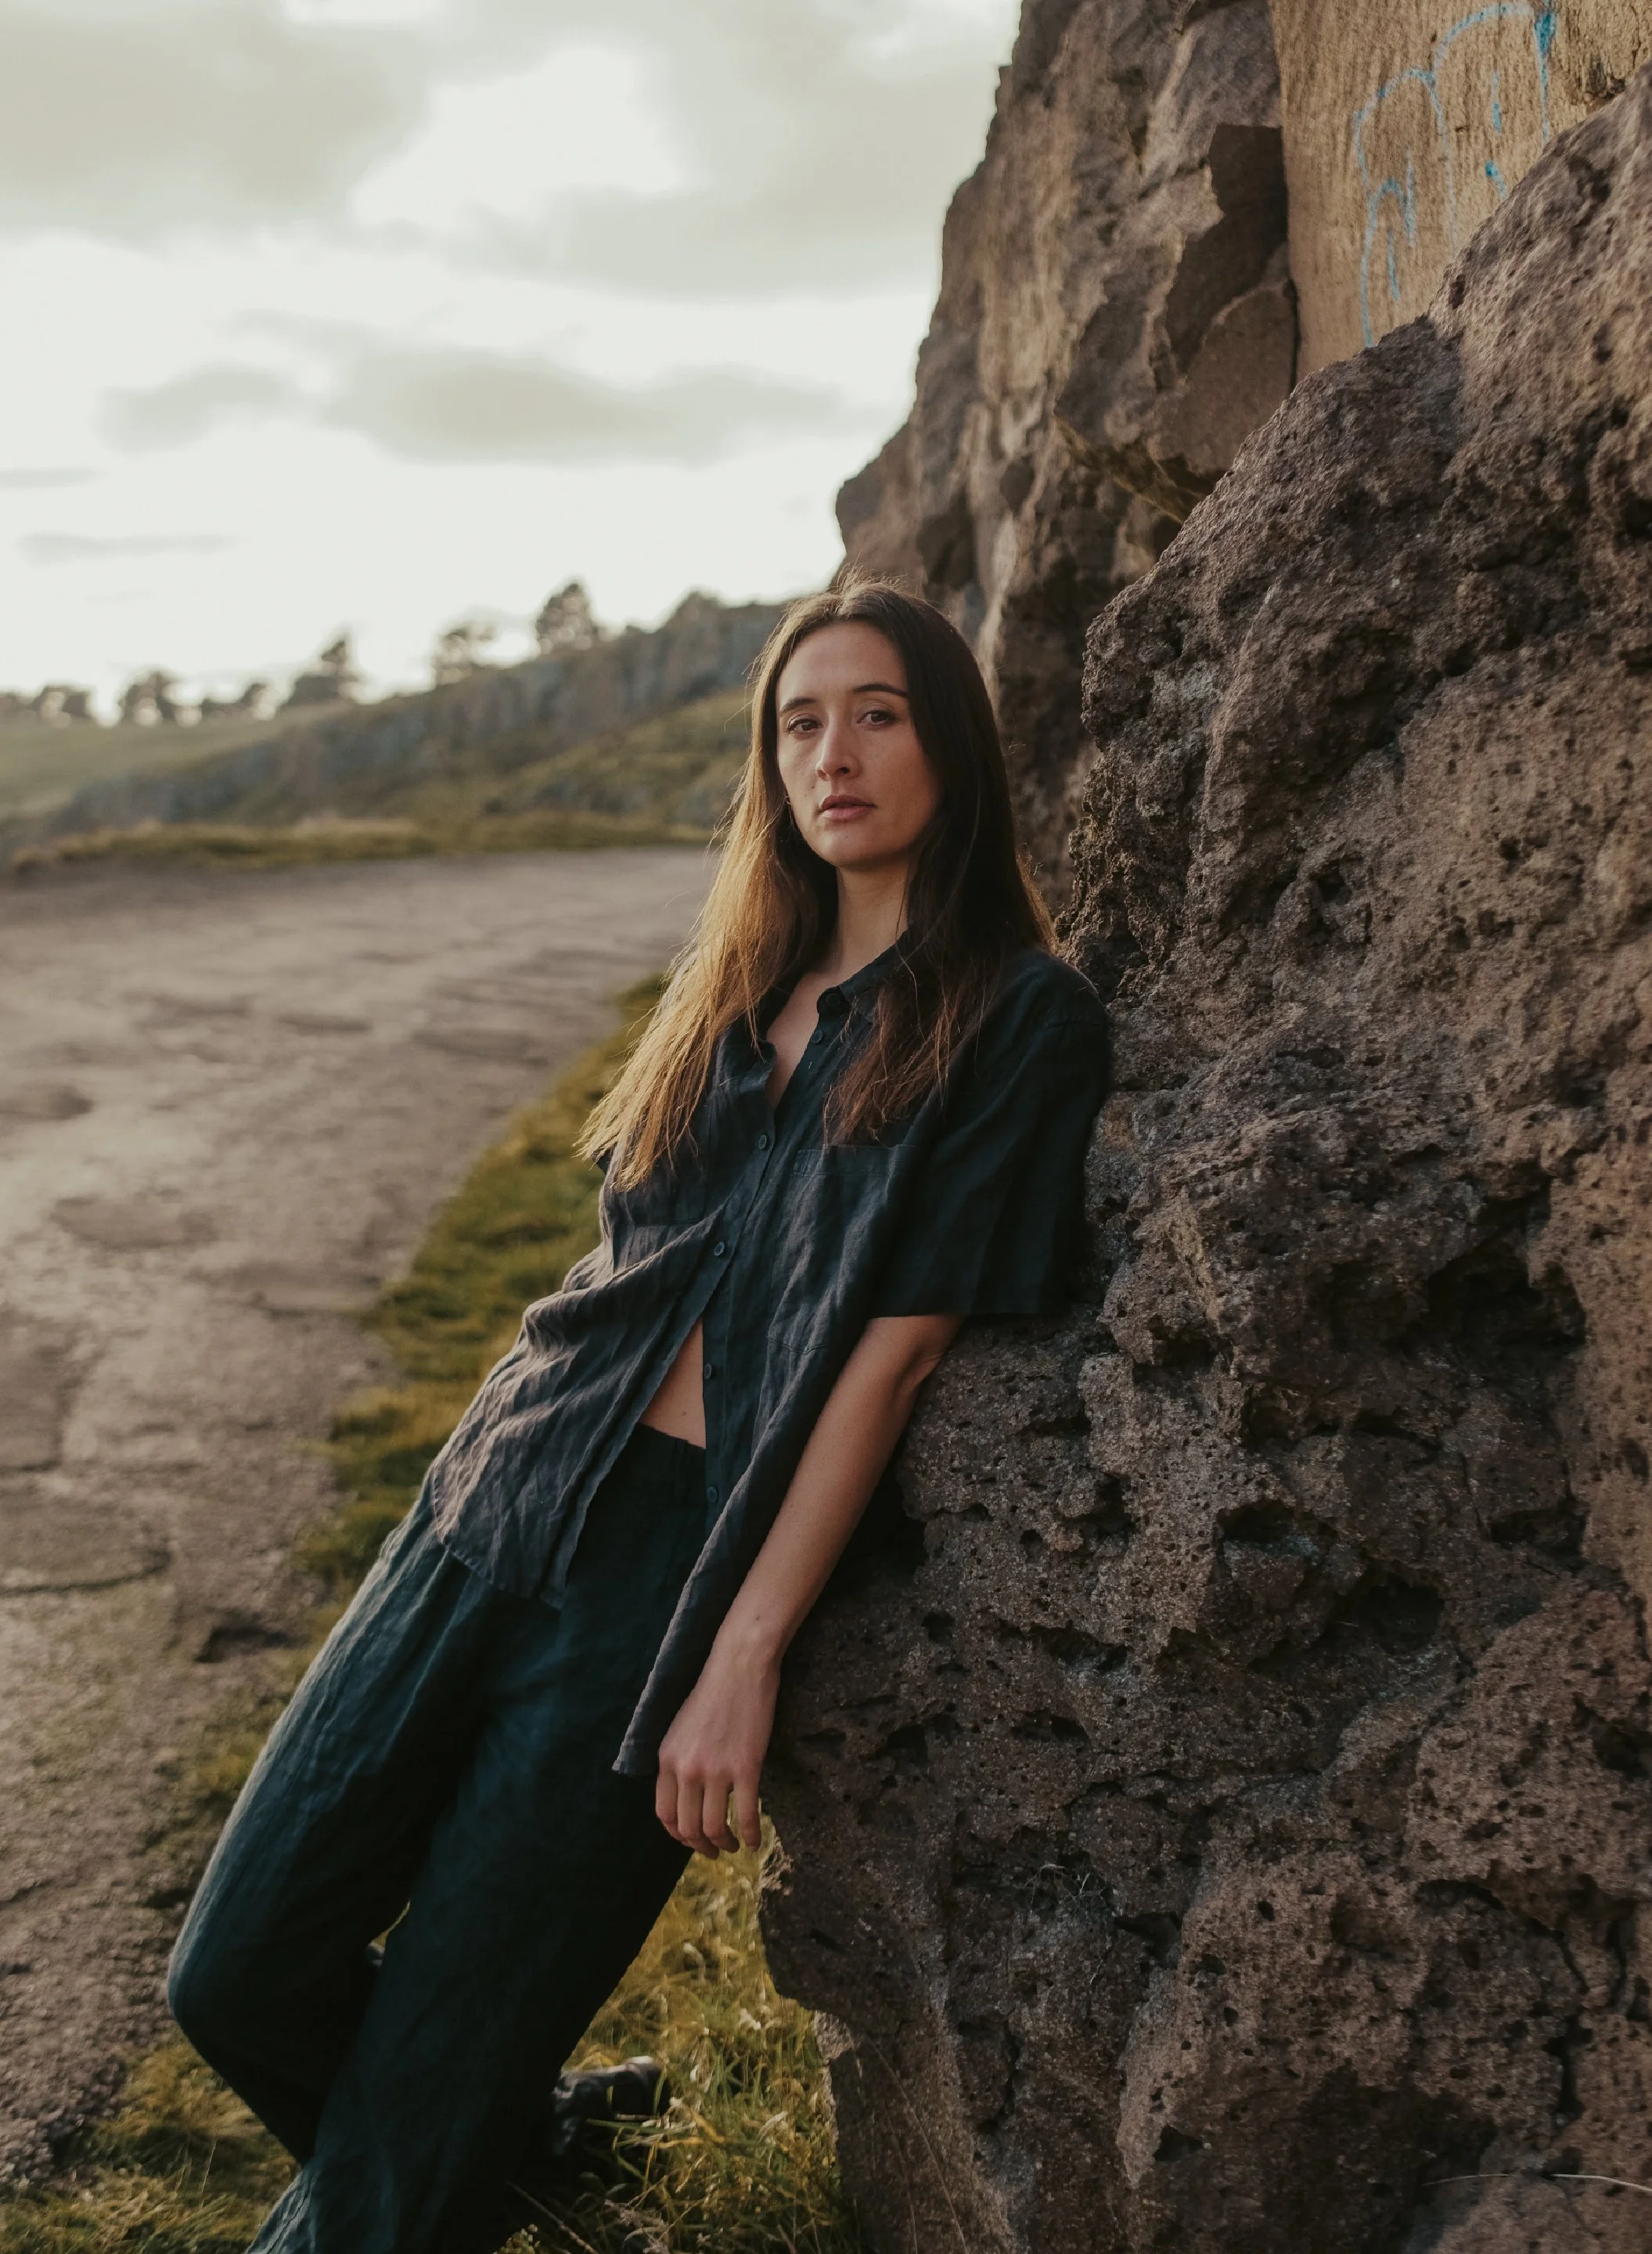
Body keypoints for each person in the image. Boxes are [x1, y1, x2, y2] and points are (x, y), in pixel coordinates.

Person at [166, 577, 1112, 2254]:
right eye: (802, 721)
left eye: (880, 712)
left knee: (383, 2189)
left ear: (953, 741)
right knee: (235, 1970)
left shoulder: (1015, 1017)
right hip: (493, 1495)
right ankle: (502, 2136)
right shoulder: (735, 983)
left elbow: (888, 1362)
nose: (837, 752)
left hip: (660, 1586)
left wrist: (738, 1656)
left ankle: (436, 2156)